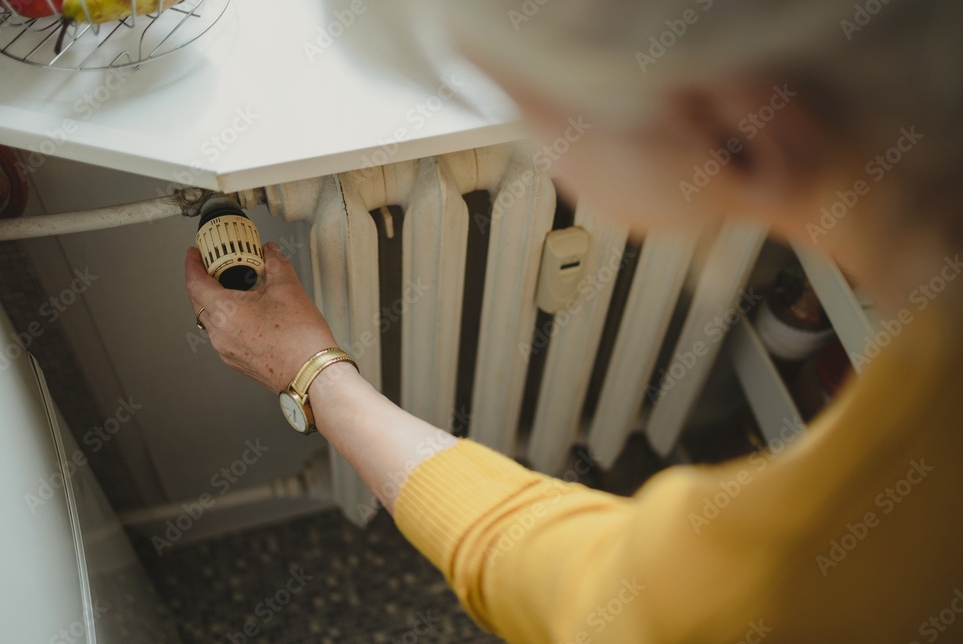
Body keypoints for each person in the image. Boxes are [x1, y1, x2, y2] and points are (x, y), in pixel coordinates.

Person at [186, 2, 963, 641]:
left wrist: (314, 372)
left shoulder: (789, 583)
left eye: (529, 115)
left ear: (742, 136)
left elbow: (572, 586)